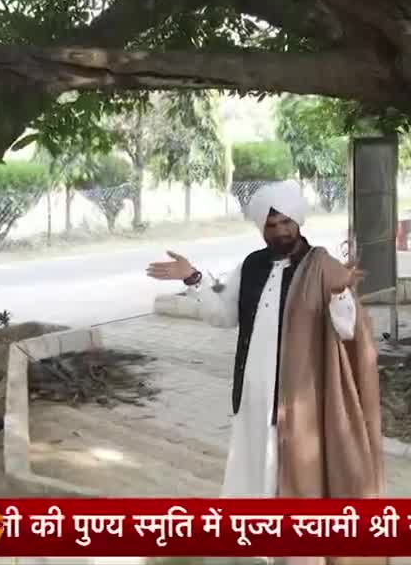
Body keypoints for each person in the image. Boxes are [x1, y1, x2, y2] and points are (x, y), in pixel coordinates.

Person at [146, 181, 384, 503]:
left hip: (299, 398)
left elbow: (348, 331)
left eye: (286, 222)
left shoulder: (321, 266)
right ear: (262, 229)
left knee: (294, 475)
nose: (280, 231)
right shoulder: (251, 265)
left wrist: (341, 294)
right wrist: (193, 279)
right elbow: (224, 317)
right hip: (252, 395)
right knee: (253, 474)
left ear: (298, 222)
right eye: (271, 225)